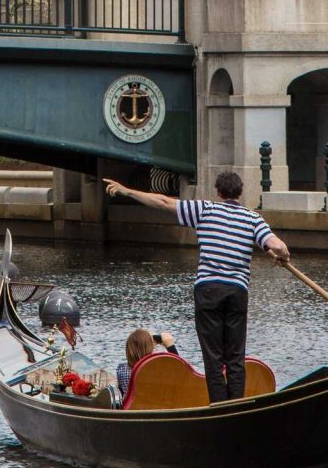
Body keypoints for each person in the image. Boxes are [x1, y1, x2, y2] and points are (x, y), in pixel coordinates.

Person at [105, 171, 289, 403]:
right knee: (234, 358)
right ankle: (237, 407)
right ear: (239, 193)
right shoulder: (253, 219)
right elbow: (277, 245)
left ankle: (220, 408)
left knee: (213, 358)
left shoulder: (205, 210)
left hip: (208, 290)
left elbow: (163, 202)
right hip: (236, 292)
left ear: (219, 192)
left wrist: (127, 190)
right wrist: (284, 256)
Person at [116, 328, 156, 399]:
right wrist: (169, 345)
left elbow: (120, 392)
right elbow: (179, 370)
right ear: (150, 348)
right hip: (153, 406)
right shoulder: (155, 369)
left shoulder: (121, 368)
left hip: (129, 407)